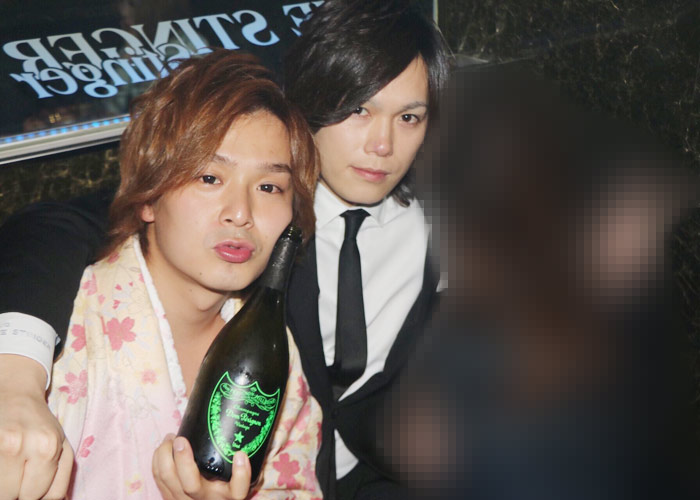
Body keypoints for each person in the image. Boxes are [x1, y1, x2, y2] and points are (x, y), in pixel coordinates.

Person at [0, 1, 450, 498]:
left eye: (409, 116)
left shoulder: (440, 211)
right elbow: (51, 228)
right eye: (359, 108)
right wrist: (15, 378)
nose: (382, 144)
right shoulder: (79, 323)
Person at [1, 49, 323, 500]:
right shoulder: (58, 338)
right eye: (209, 178)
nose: (241, 212)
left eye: (269, 186)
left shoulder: (274, 349)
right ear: (149, 198)